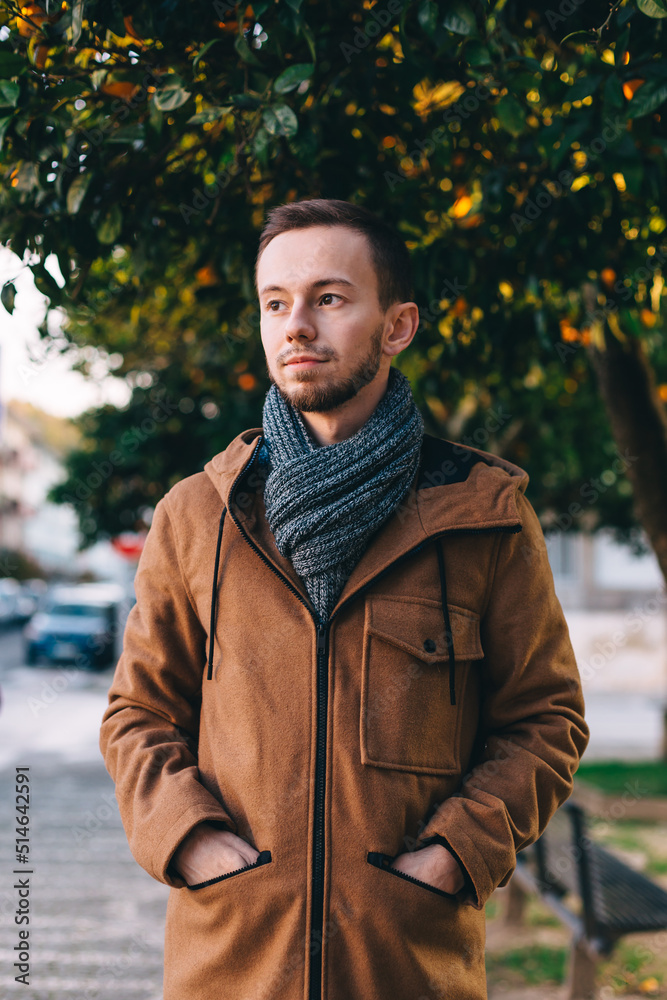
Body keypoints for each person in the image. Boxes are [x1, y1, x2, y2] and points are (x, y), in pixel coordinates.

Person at [100, 197, 589, 1000]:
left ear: (396, 326)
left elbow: (544, 720)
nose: (296, 326)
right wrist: (190, 841)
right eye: (274, 303)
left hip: (406, 966)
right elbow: (138, 714)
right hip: (232, 963)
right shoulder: (197, 516)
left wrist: (453, 855)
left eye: (328, 299)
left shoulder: (483, 516)